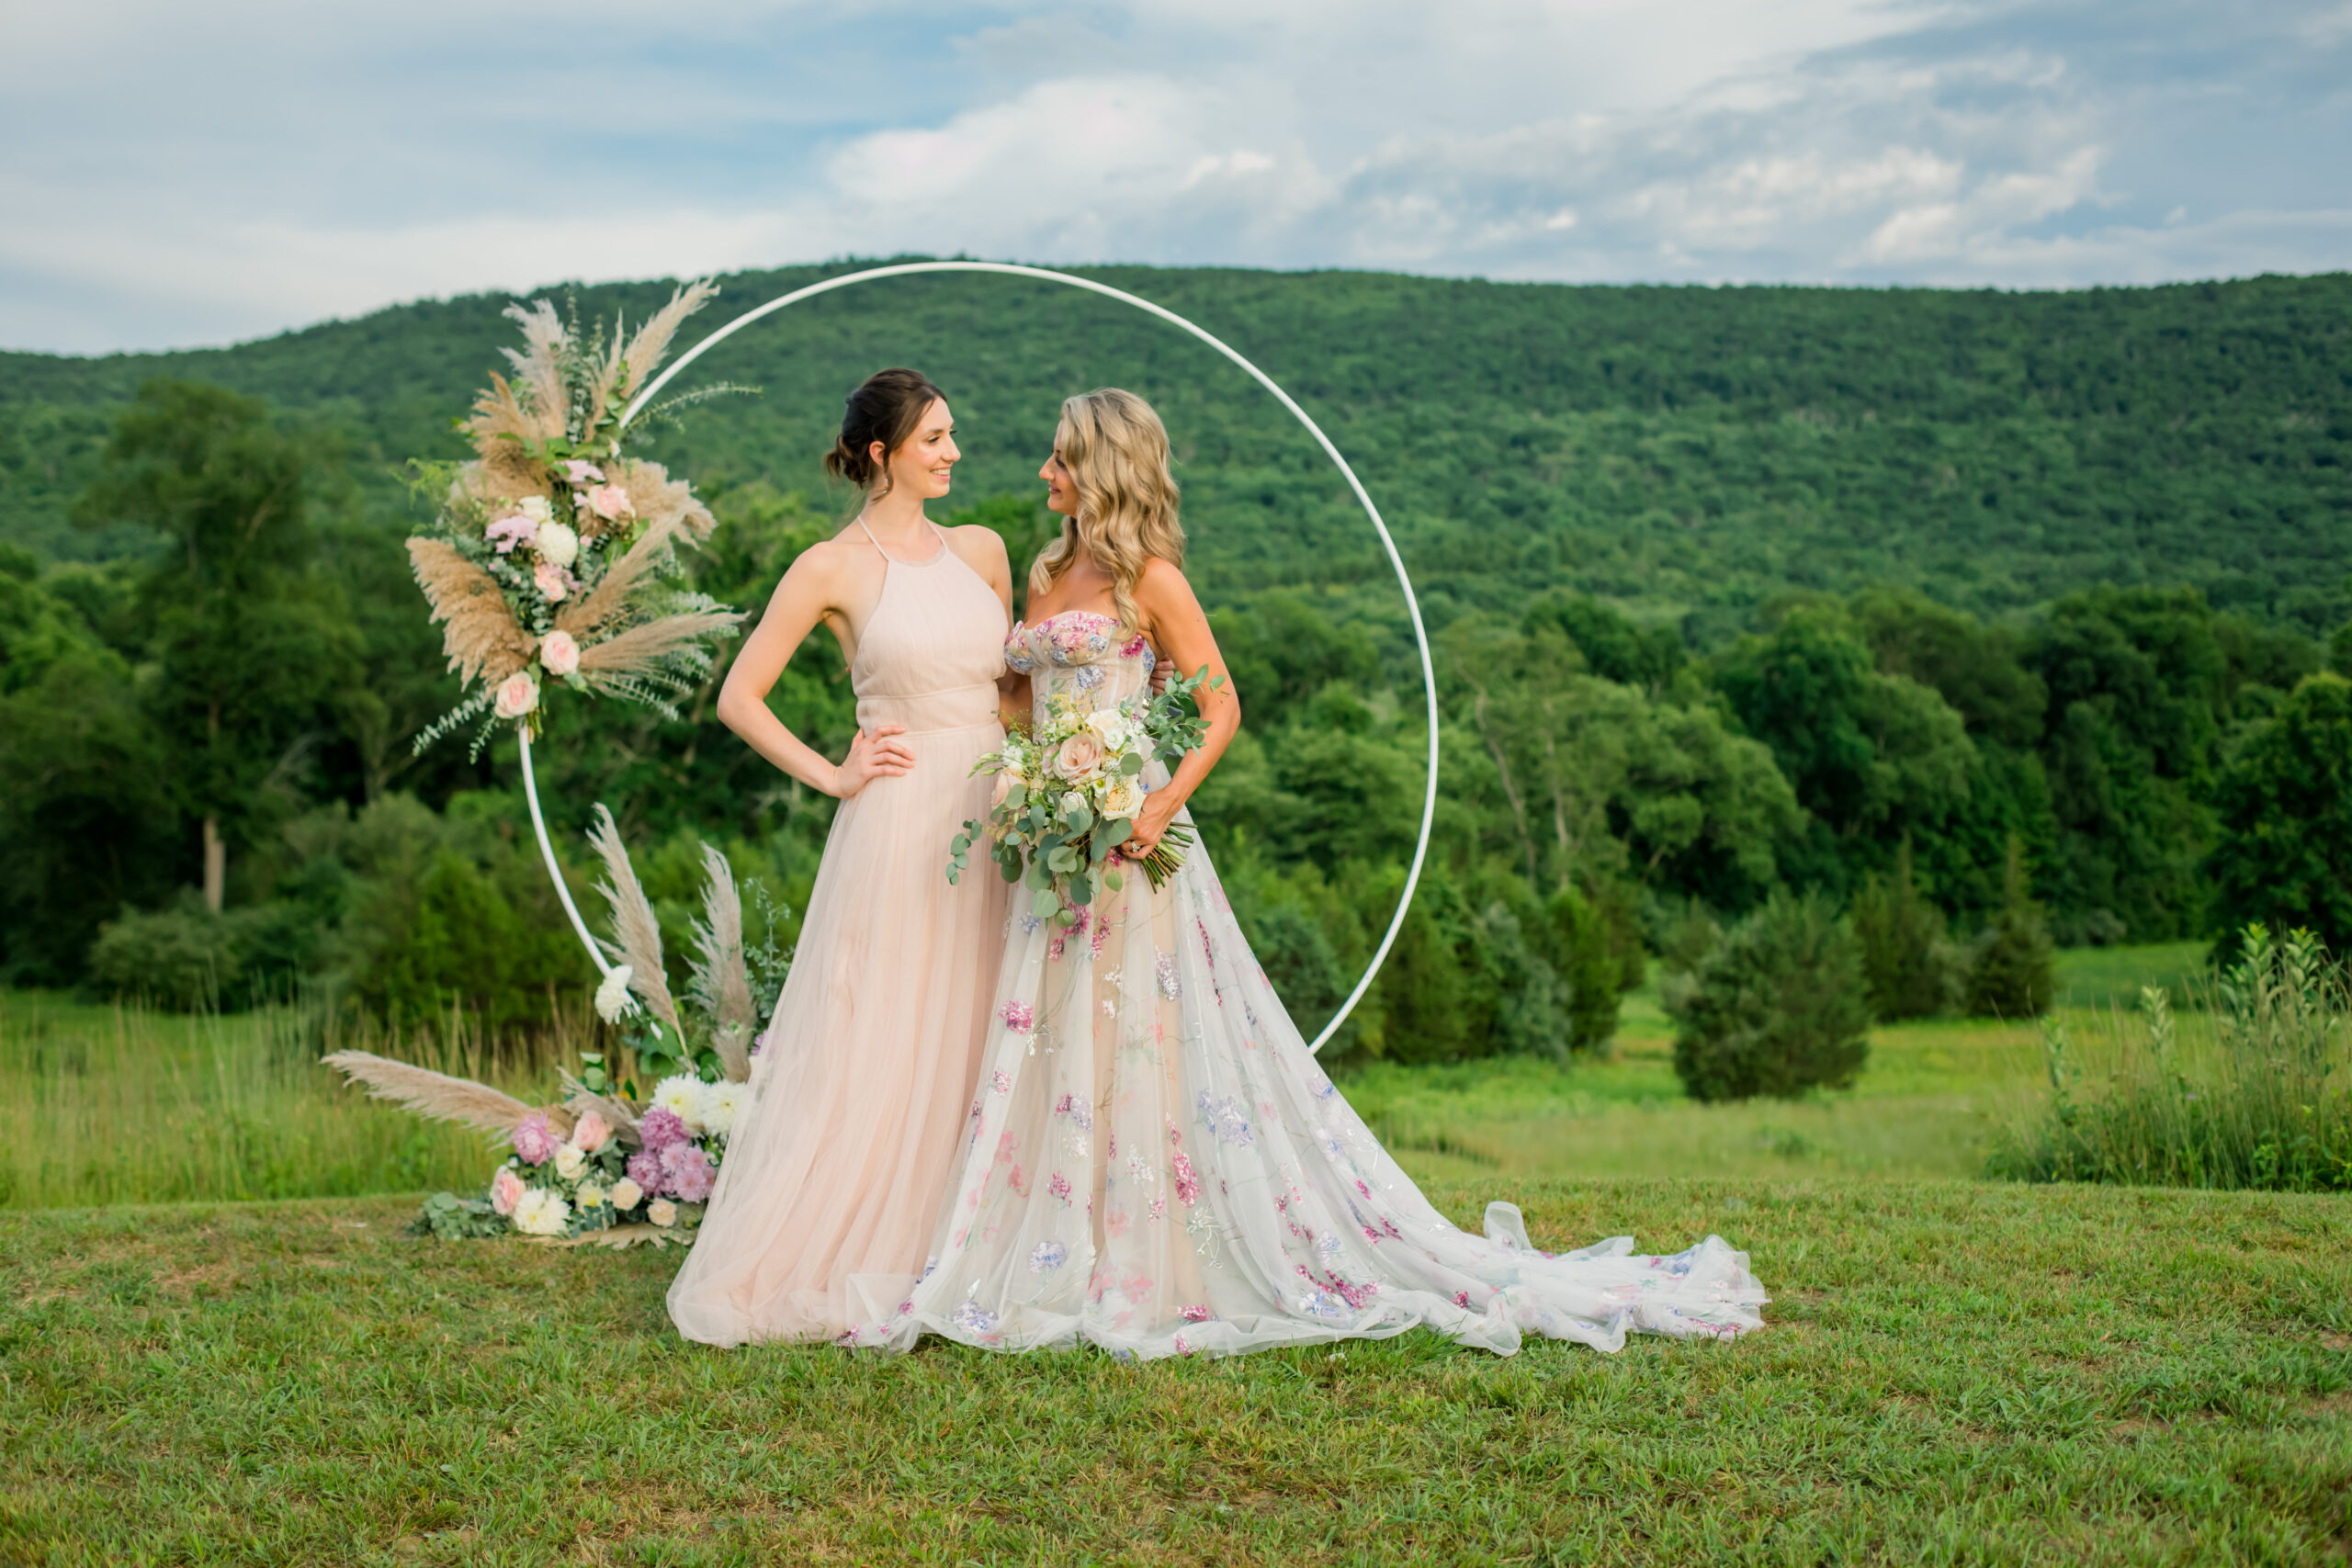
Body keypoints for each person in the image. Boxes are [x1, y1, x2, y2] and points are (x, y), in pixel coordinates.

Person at [885, 388, 1768, 1358]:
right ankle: (1058, 1242)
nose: (1043, 472)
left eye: (1060, 459)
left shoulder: (1154, 581)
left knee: (1140, 1034)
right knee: (1053, 1034)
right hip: (1051, 841)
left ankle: (1154, 1262)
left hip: (1130, 841)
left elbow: (1217, 705)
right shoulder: (1049, 568)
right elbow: (1020, 691)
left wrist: (1155, 800)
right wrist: (1017, 772)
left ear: (1102, 470)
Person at [666, 368, 1020, 1346]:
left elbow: (1016, 691)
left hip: (998, 811)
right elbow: (741, 696)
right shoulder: (830, 568)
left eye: (952, 435)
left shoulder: (984, 550)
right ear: (880, 452)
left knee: (990, 1008)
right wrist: (832, 771)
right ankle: (879, 1242)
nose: (953, 453)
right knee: (896, 1022)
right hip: (902, 818)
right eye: (935, 439)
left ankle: (984, 1235)